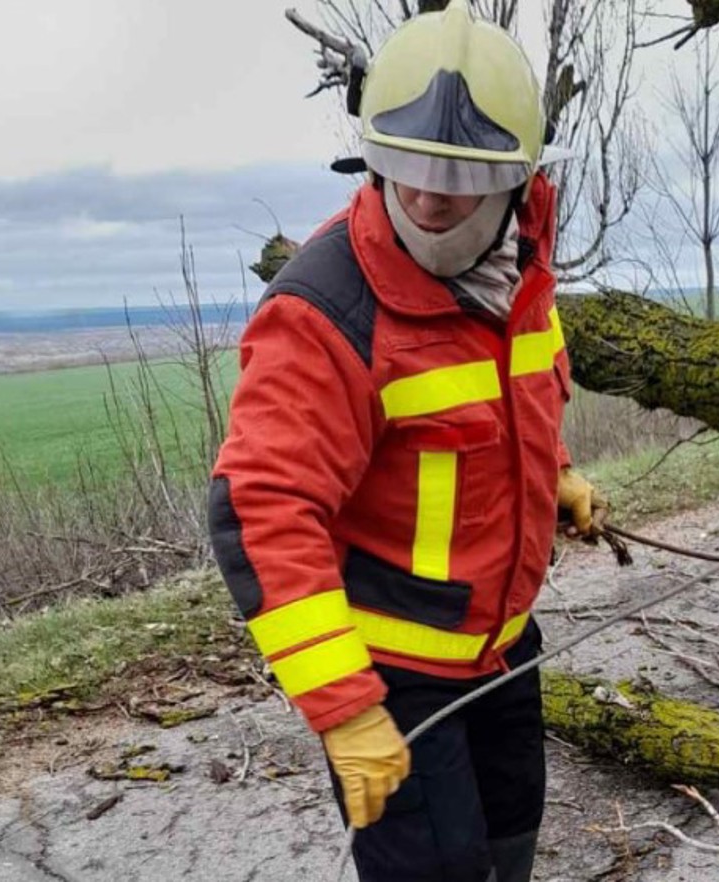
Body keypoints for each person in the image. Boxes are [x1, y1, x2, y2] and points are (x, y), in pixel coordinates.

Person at [207, 3, 606, 879]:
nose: (426, 196)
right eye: (403, 168)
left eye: (457, 178)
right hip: (391, 670)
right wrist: (346, 709)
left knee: (512, 845)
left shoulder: (523, 268)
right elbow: (261, 512)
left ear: (517, 179)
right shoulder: (324, 312)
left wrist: (560, 474)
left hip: (502, 643)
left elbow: (515, 400)